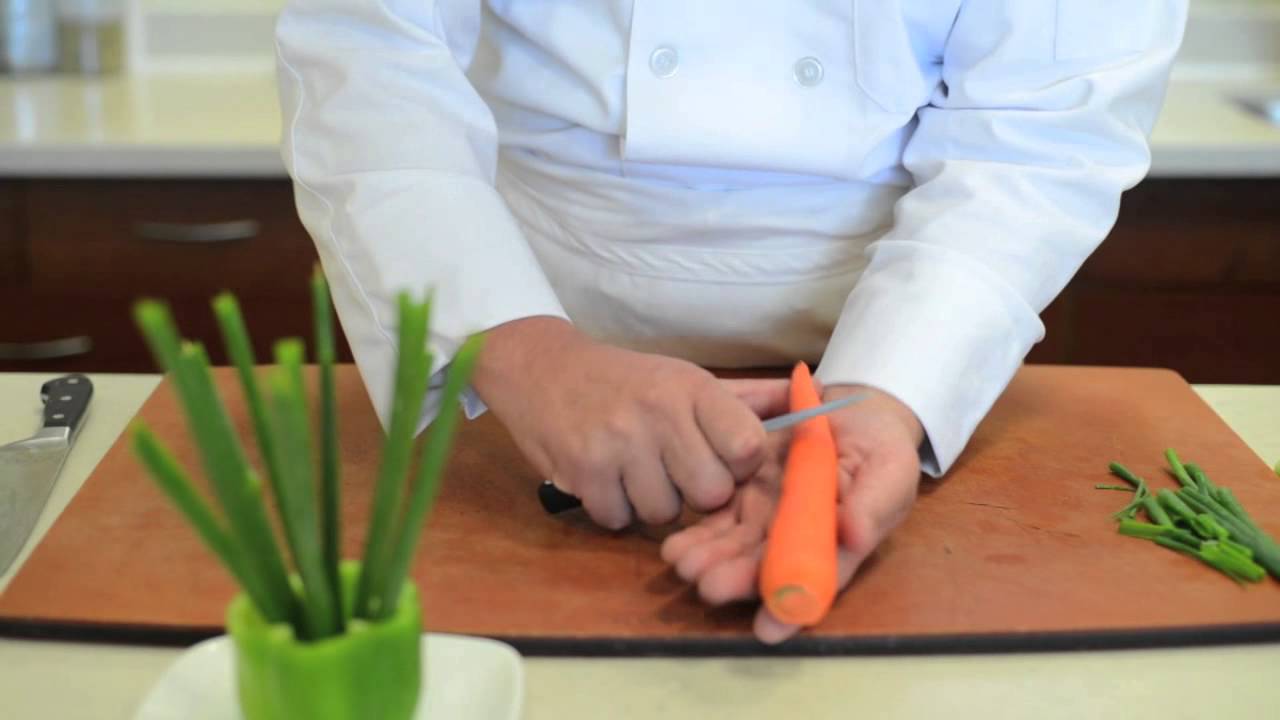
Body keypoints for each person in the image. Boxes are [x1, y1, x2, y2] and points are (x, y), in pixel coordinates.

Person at [274, 1, 1188, 643]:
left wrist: (887, 393)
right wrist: (523, 353)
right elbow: (368, 50)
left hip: (897, 347)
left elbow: (1043, 130)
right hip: (514, 360)